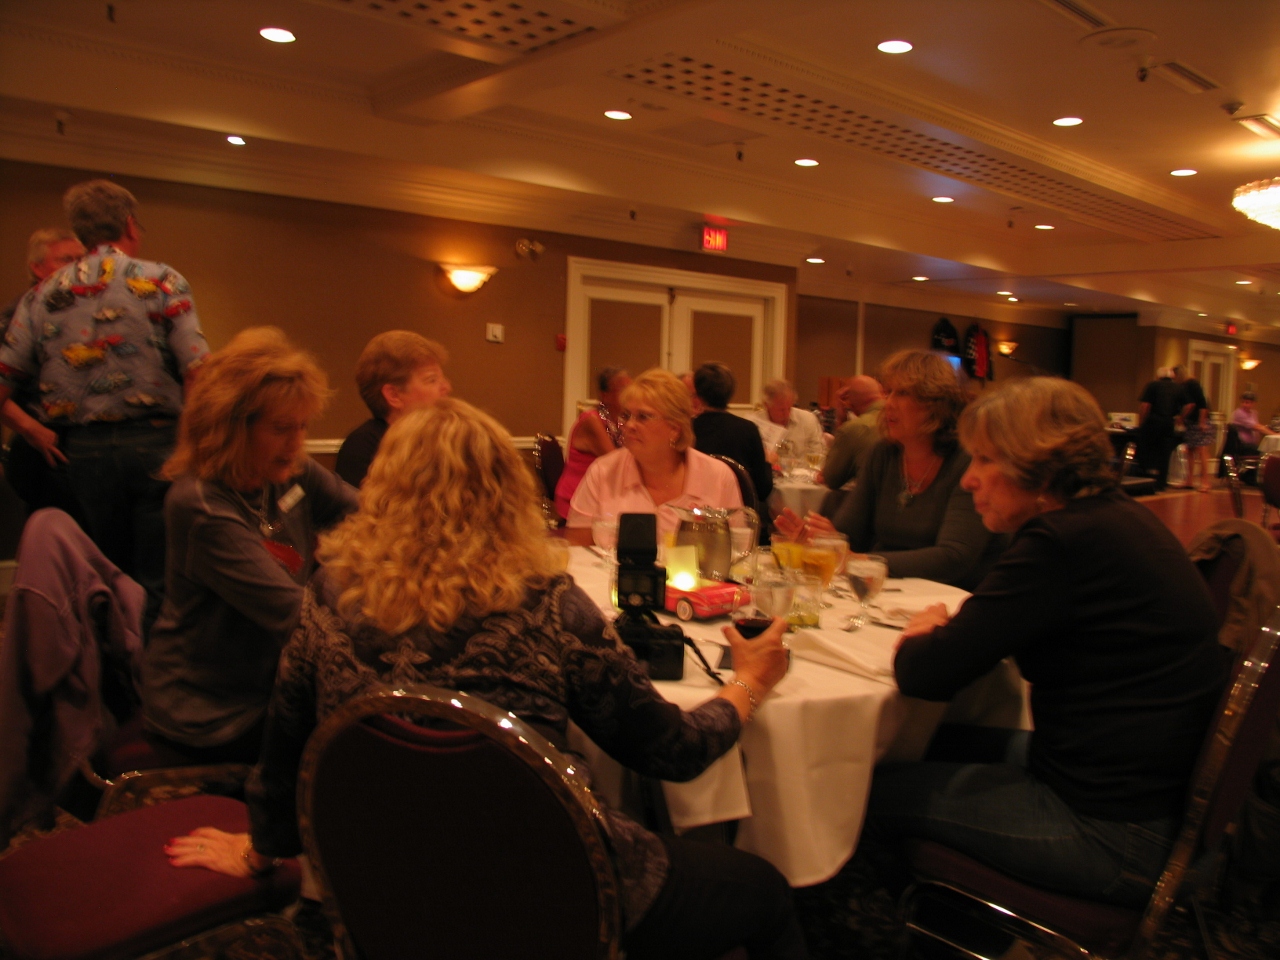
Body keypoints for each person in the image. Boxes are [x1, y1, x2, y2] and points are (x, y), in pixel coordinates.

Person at [165, 399, 806, 960]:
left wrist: (259, 852)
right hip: (551, 893)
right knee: (766, 891)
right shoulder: (549, 603)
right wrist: (747, 683)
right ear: (505, 488)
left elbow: (285, 754)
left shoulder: (329, 595)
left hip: (381, 891)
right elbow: (673, 750)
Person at [863, 377, 1229, 907]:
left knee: (862, 791)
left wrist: (925, 632)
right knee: (934, 742)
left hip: (1111, 833)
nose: (969, 480)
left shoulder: (1060, 544)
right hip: (1145, 799)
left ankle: (888, 930)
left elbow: (925, 673)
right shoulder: (1114, 520)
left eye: (986, 461)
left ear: (1039, 467)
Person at [140, 328, 358, 764]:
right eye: (281, 429)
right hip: (214, 709)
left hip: (272, 680)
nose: (297, 443)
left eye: (302, 427)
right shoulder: (201, 505)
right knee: (363, 742)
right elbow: (298, 620)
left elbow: (373, 516)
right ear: (230, 426)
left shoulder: (289, 469)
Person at [0, 180, 210, 627]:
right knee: (162, 578)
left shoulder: (40, 297)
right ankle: (152, 682)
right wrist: (194, 444)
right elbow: (198, 370)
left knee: (105, 576)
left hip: (82, 453)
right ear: (130, 224)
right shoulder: (161, 280)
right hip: (157, 444)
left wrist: (29, 426)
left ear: (80, 233)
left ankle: (110, 677)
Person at [776, 350, 1001, 590]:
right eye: (889, 392)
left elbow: (954, 558)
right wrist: (823, 541)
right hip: (887, 594)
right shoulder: (884, 454)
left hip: (953, 599)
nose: (889, 403)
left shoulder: (968, 462)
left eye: (903, 393)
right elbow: (848, 534)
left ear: (936, 403)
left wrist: (862, 560)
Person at [565, 368, 743, 544]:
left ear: (675, 429)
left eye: (643, 417)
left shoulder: (718, 477)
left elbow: (736, 549)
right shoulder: (603, 471)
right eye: (626, 416)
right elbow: (577, 549)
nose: (630, 425)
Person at [0, 228, 85, 520]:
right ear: (37, 268)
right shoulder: (20, 315)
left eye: (81, 259)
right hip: (43, 450)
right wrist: (30, 429)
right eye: (65, 260)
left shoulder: (83, 313)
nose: (76, 267)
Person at [334, 330, 450, 486]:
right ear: (394, 395)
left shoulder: (444, 442)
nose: (446, 388)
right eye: (432, 380)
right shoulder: (362, 448)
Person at [553, 366, 630, 519]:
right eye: (624, 390)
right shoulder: (592, 421)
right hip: (577, 499)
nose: (631, 395)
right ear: (605, 396)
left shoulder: (619, 422)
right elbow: (617, 463)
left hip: (600, 496)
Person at [691, 361, 772, 502]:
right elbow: (762, 490)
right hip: (739, 510)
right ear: (730, 392)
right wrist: (768, 463)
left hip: (694, 508)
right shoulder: (748, 429)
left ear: (698, 394)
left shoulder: (687, 428)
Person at [822, 374, 885, 490]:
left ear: (849, 403)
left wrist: (841, 420)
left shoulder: (854, 428)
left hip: (872, 503)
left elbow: (830, 479)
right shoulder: (904, 420)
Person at [749, 379, 824, 455]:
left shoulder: (808, 419)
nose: (787, 414)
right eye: (781, 410)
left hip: (801, 466)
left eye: (789, 408)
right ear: (767, 405)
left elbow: (818, 453)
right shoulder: (752, 424)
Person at [1137, 367, 1181, 491]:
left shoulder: (1153, 385)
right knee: (1165, 452)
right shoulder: (1177, 388)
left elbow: (1146, 405)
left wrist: (1141, 422)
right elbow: (1186, 405)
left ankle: (1147, 478)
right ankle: (1162, 482)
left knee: (1148, 449)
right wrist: (1180, 418)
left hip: (1153, 421)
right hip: (1168, 423)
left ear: (1158, 376)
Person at [1176, 365, 1215, 492]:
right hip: (1192, 422)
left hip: (1199, 421)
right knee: (1190, 450)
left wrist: (1201, 422)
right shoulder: (1187, 386)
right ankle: (1189, 480)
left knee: (1202, 450)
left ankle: (1205, 482)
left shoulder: (1192, 384)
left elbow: (1201, 404)